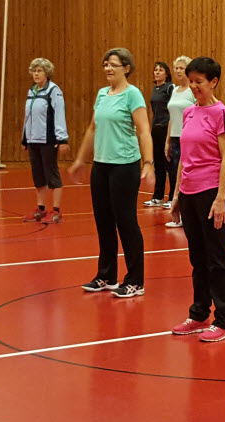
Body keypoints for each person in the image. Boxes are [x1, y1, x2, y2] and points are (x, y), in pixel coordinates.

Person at [67, 48, 156, 298]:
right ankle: (106, 276)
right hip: (101, 166)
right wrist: (80, 160)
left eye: (113, 65)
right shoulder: (102, 94)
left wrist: (148, 163)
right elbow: (92, 128)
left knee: (126, 222)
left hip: (124, 166)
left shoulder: (133, 95)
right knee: (103, 222)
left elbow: (143, 130)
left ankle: (135, 280)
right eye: (105, 64)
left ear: (126, 68)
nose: (107, 68)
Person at [169, 56, 225, 342]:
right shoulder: (189, 112)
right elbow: (184, 158)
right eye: (191, 82)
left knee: (217, 258)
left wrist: (221, 198)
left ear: (214, 82)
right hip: (188, 192)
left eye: (199, 82)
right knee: (197, 257)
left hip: (210, 192)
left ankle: (224, 321)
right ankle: (199, 314)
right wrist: (176, 195)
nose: (194, 86)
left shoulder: (222, 113)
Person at [21, 57, 69, 224]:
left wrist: (62, 139)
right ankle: (41, 209)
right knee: (38, 175)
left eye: (39, 71)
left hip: (48, 140)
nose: (36, 74)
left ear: (47, 73)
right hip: (33, 140)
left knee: (52, 174)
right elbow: (28, 116)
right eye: (34, 71)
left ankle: (56, 210)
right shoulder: (32, 91)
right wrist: (25, 138)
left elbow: (59, 114)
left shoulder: (54, 91)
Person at [165, 56, 196, 228]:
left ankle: (187, 214)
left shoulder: (192, 91)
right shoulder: (174, 90)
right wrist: (168, 141)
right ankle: (178, 210)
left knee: (186, 174)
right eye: (176, 68)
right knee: (175, 174)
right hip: (175, 138)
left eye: (181, 68)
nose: (178, 71)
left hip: (188, 138)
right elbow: (172, 118)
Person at [147, 61, 176, 207]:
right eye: (156, 70)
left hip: (166, 128)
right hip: (156, 129)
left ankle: (171, 197)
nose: (157, 72)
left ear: (166, 73)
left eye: (160, 70)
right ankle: (158, 196)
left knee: (169, 163)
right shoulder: (155, 89)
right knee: (158, 163)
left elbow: (173, 108)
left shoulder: (170, 88)